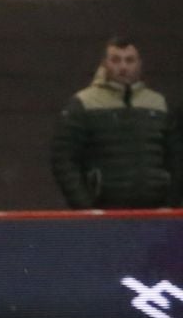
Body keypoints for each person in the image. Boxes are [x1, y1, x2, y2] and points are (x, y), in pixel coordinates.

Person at [51, 37, 177, 209]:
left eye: (129, 60)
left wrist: (172, 203)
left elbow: (176, 158)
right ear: (104, 63)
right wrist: (85, 207)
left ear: (139, 64)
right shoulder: (83, 104)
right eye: (116, 60)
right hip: (104, 213)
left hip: (156, 212)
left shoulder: (159, 104)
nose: (123, 67)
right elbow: (63, 159)